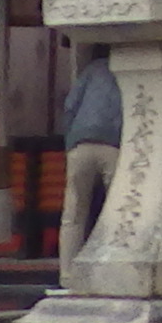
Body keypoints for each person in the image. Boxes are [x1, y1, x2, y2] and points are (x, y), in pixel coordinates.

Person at [57, 43, 123, 266]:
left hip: (80, 145)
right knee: (117, 209)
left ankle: (67, 274)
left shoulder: (91, 70)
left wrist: (70, 142)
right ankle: (112, 267)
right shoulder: (127, 70)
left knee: (73, 214)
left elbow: (70, 106)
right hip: (113, 145)